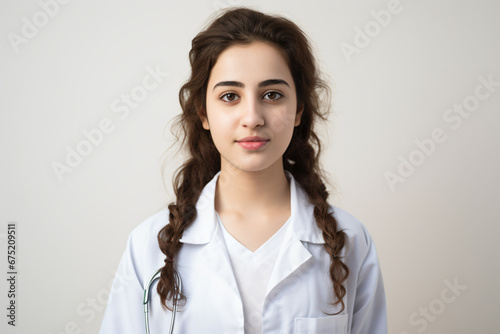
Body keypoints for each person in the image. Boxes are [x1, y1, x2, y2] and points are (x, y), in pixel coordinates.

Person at [100, 6, 387, 334]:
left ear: (299, 110)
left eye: (272, 95)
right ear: (203, 113)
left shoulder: (350, 243)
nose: (252, 117)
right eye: (230, 96)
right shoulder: (149, 246)